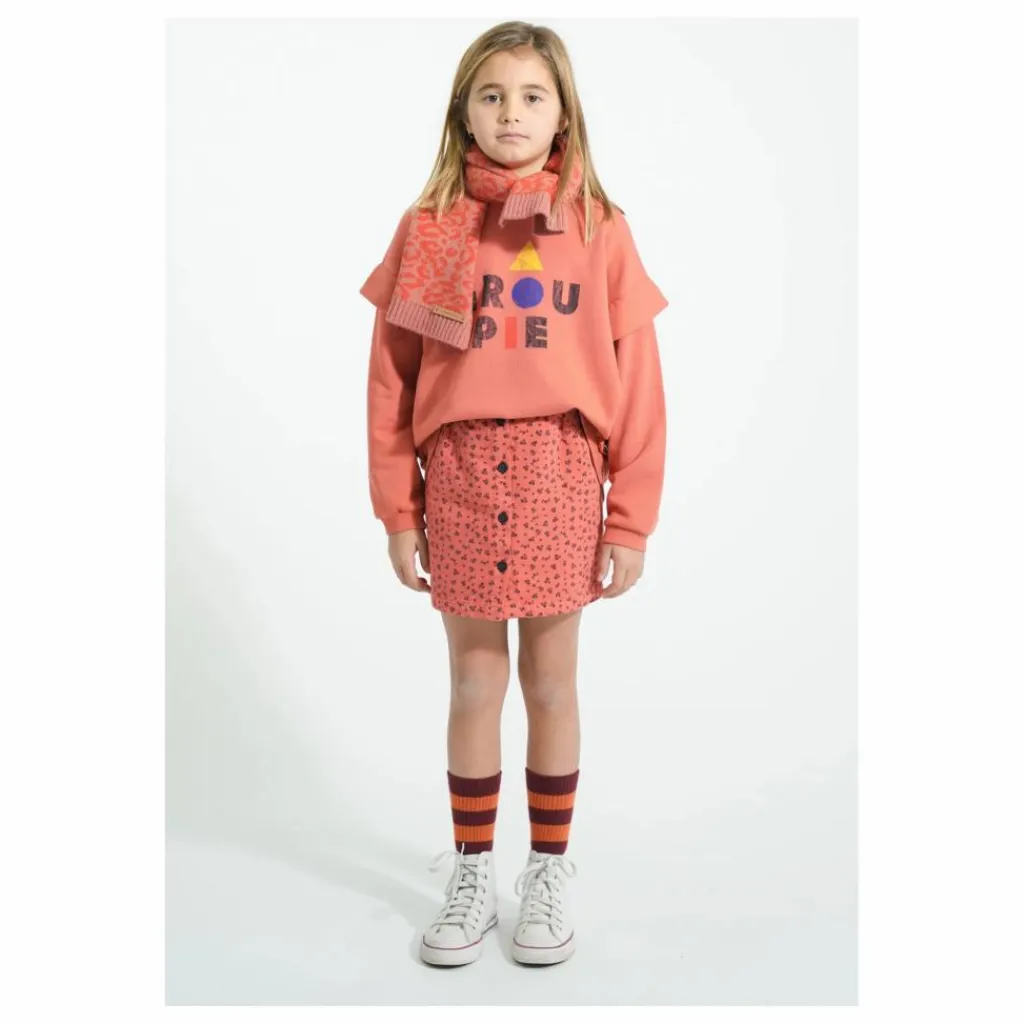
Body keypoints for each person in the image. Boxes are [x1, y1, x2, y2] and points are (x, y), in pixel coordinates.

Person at [361, 20, 668, 968]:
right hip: (456, 476)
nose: (511, 114)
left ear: (563, 113)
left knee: (551, 681)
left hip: (559, 474)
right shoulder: (429, 227)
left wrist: (630, 518)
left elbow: (638, 380)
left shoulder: (599, 227)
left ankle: (547, 871)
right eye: (491, 95)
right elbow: (390, 380)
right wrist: (398, 508)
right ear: (464, 112)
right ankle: (469, 873)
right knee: (472, 681)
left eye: (533, 96)